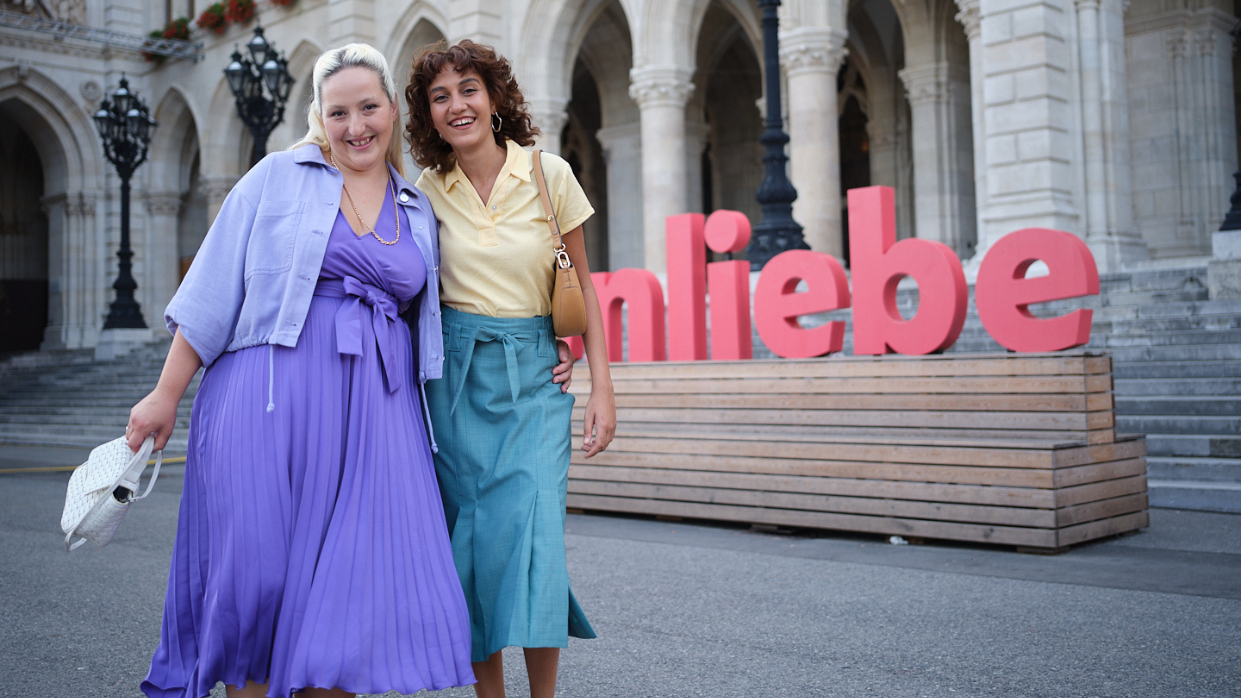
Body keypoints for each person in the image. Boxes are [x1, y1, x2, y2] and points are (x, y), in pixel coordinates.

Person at [126, 44, 492, 698]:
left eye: (368, 108)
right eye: (338, 112)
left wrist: (551, 338)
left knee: (355, 595)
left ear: (391, 112)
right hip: (269, 400)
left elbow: (455, 310)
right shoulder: (275, 176)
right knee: (258, 580)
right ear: (318, 120)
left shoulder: (416, 208)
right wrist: (164, 394)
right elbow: (213, 291)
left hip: (378, 418)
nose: (356, 126)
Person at [404, 40, 618, 698]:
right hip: (455, 384)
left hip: (535, 378)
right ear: (429, 116)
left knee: (534, 543)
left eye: (468, 89)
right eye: (440, 96)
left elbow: (584, 282)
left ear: (494, 99)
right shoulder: (424, 193)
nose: (456, 105)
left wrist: (601, 389)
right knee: (471, 551)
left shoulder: (548, 173)